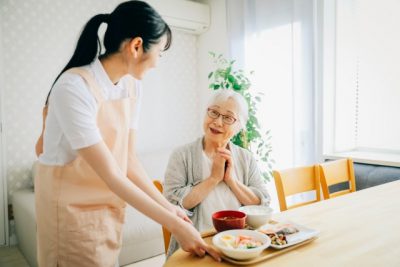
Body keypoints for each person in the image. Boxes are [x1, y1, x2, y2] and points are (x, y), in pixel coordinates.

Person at [34, 1, 220, 266]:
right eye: (160, 52)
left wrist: (172, 209)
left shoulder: (132, 87)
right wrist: (173, 225)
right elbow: (112, 174)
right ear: (136, 46)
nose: (158, 62)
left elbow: (128, 160)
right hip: (69, 215)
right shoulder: (73, 88)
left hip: (107, 209)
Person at [163, 89, 271, 256]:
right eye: (213, 112)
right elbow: (171, 204)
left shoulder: (245, 157)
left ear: (239, 126)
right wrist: (213, 179)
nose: (218, 122)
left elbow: (261, 203)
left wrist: (231, 181)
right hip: (197, 243)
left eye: (228, 117)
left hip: (239, 243)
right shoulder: (182, 155)